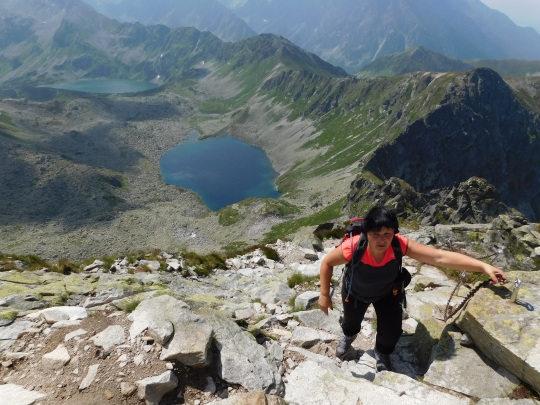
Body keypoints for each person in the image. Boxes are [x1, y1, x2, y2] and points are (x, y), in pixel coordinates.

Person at [318, 206, 508, 372]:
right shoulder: (354, 246)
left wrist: (483, 266)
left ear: (394, 232)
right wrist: (324, 295)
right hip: (356, 292)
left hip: (387, 293)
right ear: (366, 233)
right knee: (351, 321)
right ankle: (349, 336)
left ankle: (382, 354)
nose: (382, 240)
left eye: (387, 233)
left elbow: (440, 257)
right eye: (376, 234)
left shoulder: (399, 244)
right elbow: (327, 262)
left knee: (392, 330)